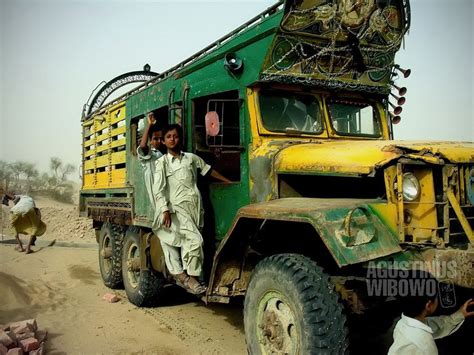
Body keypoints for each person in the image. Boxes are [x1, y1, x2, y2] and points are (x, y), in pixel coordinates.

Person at [152, 124, 231, 295]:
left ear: (180, 139)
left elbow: (208, 171)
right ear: (164, 142)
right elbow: (158, 189)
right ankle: (191, 279)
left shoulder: (190, 158)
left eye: (175, 136)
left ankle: (187, 276)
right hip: (176, 210)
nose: (172, 139)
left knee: (190, 242)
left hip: (195, 208)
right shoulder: (162, 163)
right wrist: (164, 209)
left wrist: (228, 181)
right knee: (196, 241)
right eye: (169, 137)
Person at [388, 275, 474, 354]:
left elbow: (436, 327)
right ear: (428, 305)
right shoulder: (427, 347)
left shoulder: (401, 324)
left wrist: (459, 314)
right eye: (437, 296)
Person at [1, 189, 46, 254]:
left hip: (15, 210)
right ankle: (28, 248)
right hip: (29, 209)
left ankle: (20, 246)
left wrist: (4, 191)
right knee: (35, 226)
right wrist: (38, 222)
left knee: (13, 227)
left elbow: (13, 197)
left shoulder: (20, 197)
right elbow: (37, 211)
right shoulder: (27, 199)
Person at [137, 112, 165, 207]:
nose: (159, 142)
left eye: (161, 139)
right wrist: (149, 125)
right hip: (156, 193)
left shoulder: (160, 154)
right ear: (150, 140)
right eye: (155, 139)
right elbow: (143, 146)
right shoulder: (150, 154)